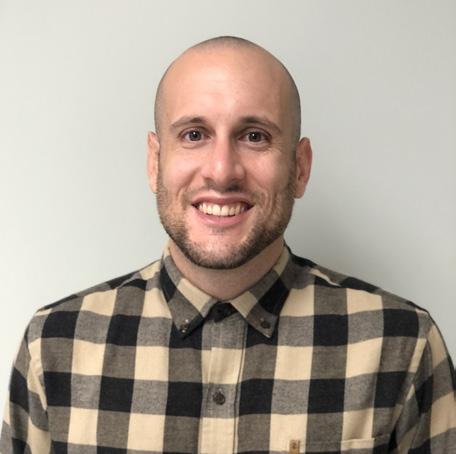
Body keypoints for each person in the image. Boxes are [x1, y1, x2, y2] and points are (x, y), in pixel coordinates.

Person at [1, 36, 455, 454]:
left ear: (299, 168)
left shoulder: (402, 345)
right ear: (155, 162)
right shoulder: (54, 347)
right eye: (194, 135)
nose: (221, 171)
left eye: (254, 136)